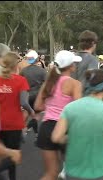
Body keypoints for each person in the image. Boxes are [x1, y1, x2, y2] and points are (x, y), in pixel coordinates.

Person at [52, 69, 103, 180]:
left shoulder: (70, 108)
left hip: (73, 171)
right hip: (99, 172)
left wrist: (72, 137)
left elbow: (56, 137)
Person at [34, 50, 82, 180]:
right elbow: (78, 110)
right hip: (65, 129)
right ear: (71, 66)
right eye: (74, 63)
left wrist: (52, 106)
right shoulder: (75, 84)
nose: (76, 66)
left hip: (46, 128)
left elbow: (37, 107)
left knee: (51, 174)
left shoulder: (49, 82)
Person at [0, 52, 34, 180]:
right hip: (14, 123)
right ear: (16, 65)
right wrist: (31, 111)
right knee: (13, 155)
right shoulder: (21, 80)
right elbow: (24, 102)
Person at [20, 50, 47, 140]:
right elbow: (46, 83)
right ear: (37, 59)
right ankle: (32, 128)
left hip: (27, 95)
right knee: (37, 114)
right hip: (38, 95)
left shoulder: (24, 71)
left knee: (27, 112)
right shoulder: (42, 71)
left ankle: (22, 129)